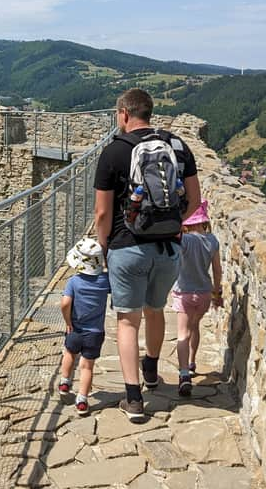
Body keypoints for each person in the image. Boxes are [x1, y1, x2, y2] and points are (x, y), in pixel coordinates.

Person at [94, 88, 200, 421]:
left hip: (127, 248)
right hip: (168, 248)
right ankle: (151, 371)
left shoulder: (113, 152)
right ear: (149, 113)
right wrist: (170, 224)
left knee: (127, 321)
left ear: (123, 113)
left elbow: (101, 213)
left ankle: (133, 398)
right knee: (155, 311)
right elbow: (195, 202)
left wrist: (104, 246)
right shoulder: (178, 148)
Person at [172, 199, 222, 396]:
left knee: (182, 333)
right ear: (204, 221)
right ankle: (192, 361)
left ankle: (184, 374)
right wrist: (216, 292)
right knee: (195, 327)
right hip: (203, 293)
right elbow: (217, 270)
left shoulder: (183, 240)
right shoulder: (212, 241)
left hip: (183, 292)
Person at [57, 238, 110, 416]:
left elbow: (65, 303)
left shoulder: (73, 281)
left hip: (75, 329)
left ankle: (65, 382)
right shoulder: (104, 281)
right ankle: (82, 400)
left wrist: (68, 322)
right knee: (87, 366)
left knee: (69, 354)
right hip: (95, 333)